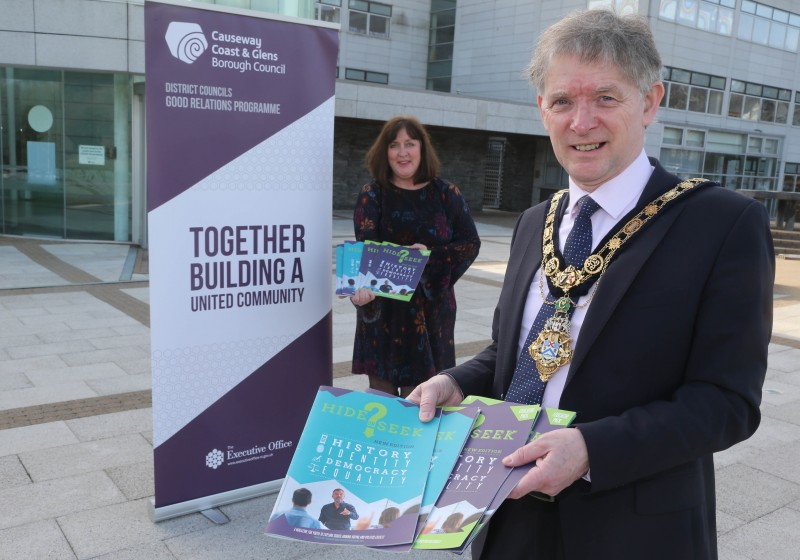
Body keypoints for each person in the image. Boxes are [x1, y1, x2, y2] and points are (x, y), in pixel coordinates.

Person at [408, 9, 774, 560]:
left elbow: (728, 402)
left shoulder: (721, 223)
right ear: (542, 109)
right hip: (506, 511)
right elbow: (521, 351)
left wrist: (591, 449)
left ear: (649, 102)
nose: (581, 122)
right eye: (562, 102)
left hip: (633, 527)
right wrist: (456, 381)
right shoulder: (537, 220)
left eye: (605, 98)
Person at [350, 115, 481, 397]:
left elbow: (470, 244)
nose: (402, 152)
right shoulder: (372, 195)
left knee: (424, 402)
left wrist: (428, 256)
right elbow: (364, 251)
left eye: (410, 143)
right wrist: (358, 288)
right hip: (384, 313)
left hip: (431, 314)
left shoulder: (446, 193)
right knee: (383, 406)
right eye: (394, 145)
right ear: (384, 152)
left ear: (422, 148)